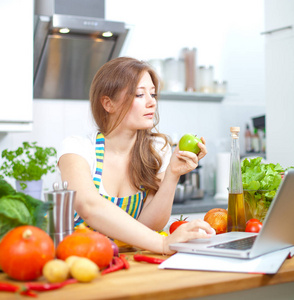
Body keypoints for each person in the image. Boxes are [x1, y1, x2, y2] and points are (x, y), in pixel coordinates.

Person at [58, 57, 214, 255]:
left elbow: (148, 225)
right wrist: (162, 244)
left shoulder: (155, 151)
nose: (152, 103)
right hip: (81, 261)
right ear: (108, 103)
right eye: (140, 95)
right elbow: (89, 206)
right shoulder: (78, 148)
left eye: (153, 94)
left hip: (128, 262)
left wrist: (172, 174)